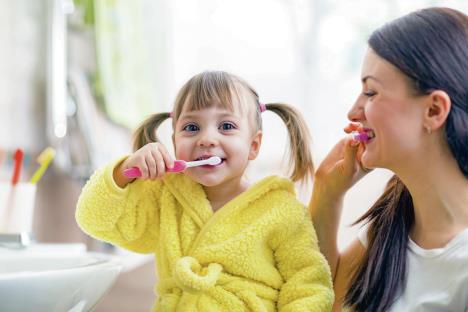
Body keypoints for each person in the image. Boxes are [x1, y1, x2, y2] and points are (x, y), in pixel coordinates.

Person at [76, 71, 333, 311]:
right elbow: (94, 220)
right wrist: (122, 171)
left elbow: (308, 285)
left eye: (226, 126)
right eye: (191, 128)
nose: (207, 139)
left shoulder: (282, 210)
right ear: (175, 142)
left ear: (253, 145)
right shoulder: (165, 197)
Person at [309, 7, 468, 312]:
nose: (354, 112)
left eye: (371, 92)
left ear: (434, 110)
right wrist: (326, 195)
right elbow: (319, 301)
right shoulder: (389, 228)